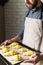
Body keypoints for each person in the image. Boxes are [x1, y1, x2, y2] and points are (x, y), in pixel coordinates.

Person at [1, 0, 43, 65]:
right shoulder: (28, 12)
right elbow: (23, 32)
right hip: (25, 55)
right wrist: (11, 40)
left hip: (39, 58)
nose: (26, 1)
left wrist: (41, 56)